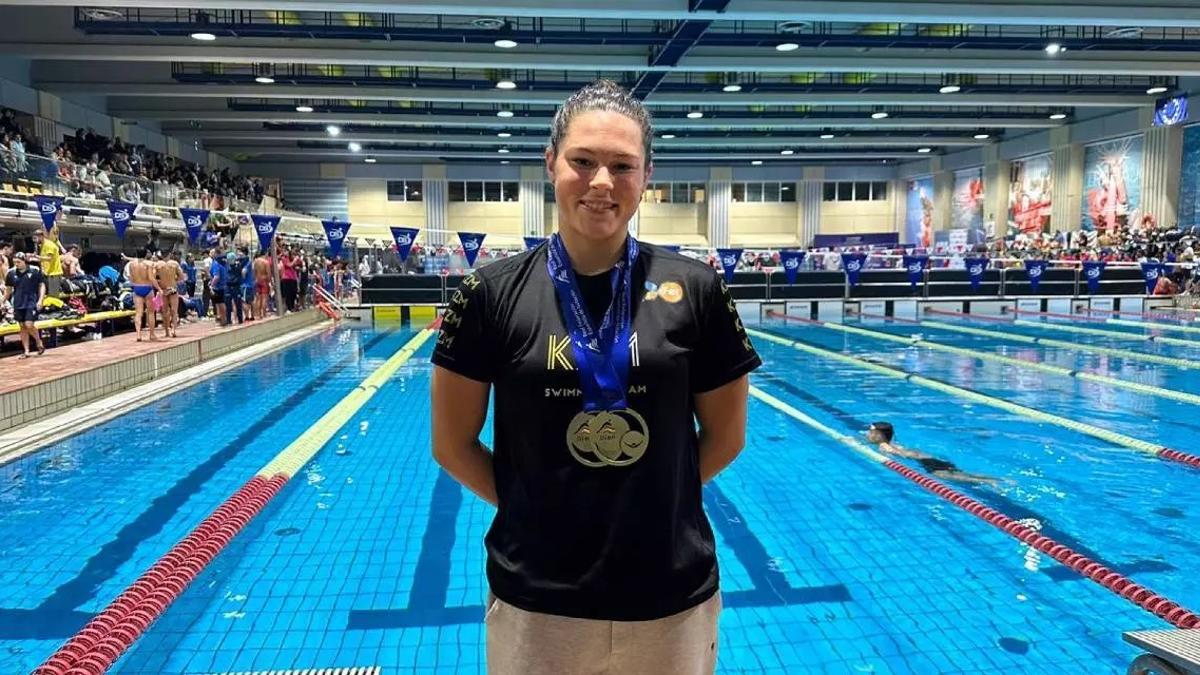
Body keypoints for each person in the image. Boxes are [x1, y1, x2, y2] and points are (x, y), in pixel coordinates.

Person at [431, 79, 760, 675]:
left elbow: (727, 436)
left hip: (669, 595)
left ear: (647, 175)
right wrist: (540, 506)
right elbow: (451, 444)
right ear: (551, 162)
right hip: (537, 598)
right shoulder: (488, 294)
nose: (602, 182)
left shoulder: (699, 290)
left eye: (622, 165)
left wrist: (657, 499)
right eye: (583, 161)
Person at [866, 422, 1000, 485]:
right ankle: (996, 479)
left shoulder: (884, 447)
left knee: (950, 477)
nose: (868, 434)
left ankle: (989, 482)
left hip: (927, 463)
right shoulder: (892, 443)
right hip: (931, 459)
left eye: (871, 432)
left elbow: (894, 456)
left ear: (879, 435)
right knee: (962, 473)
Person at [4, 252, 46, 358]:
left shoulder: (34, 270)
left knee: (29, 324)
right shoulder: (11, 273)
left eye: (18, 262)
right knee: (22, 326)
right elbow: (8, 290)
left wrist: (40, 300)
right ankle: (26, 351)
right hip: (18, 303)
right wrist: (3, 301)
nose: (16, 264)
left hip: (31, 302)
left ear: (25, 261)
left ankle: (38, 342)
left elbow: (41, 285)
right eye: (14, 262)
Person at [127, 254, 160, 341]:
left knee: (138, 313)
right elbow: (151, 278)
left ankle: (138, 335)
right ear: (145, 255)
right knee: (151, 313)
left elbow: (130, 277)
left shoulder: (131, 264)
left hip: (137, 287)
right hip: (147, 287)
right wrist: (159, 288)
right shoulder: (147, 264)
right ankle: (152, 334)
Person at [33, 228, 65, 298]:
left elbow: (49, 258)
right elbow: (43, 259)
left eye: (36, 238)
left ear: (41, 237)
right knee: (46, 294)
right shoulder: (42, 245)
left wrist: (37, 256)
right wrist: (32, 258)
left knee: (53, 295)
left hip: (54, 273)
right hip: (47, 273)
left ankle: (55, 307)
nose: (35, 241)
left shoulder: (49, 245)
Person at [253, 249, 272, 319]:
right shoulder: (266, 262)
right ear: (265, 253)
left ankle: (258, 314)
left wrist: (256, 279)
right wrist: (269, 281)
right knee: (264, 298)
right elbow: (269, 274)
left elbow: (254, 272)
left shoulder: (255, 261)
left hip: (257, 280)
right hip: (264, 281)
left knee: (258, 298)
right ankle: (264, 313)